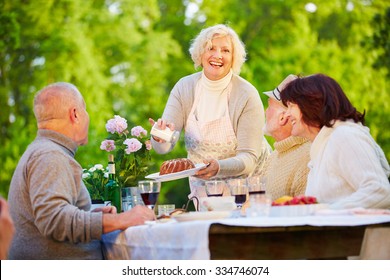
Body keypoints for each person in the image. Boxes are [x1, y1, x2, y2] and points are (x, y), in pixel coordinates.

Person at [8, 82, 155, 259]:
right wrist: (122, 219)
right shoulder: (50, 155)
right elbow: (54, 221)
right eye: (85, 110)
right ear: (75, 114)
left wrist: (89, 216)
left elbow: (49, 216)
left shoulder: (42, 151)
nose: (87, 116)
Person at [150, 24, 270, 201]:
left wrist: (219, 167)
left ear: (234, 57)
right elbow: (163, 146)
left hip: (250, 186)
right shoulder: (184, 88)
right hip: (205, 187)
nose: (217, 55)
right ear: (200, 54)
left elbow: (249, 158)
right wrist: (159, 137)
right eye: (211, 48)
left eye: (225, 50)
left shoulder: (246, 94)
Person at [280, 73, 390, 209]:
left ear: (311, 104)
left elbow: (380, 192)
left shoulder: (345, 136)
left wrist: (326, 212)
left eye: (291, 106)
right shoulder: (323, 145)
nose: (287, 114)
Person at [254, 74, 311, 200]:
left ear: (283, 117)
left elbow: (305, 210)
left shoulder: (308, 157)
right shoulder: (275, 155)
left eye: (269, 107)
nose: (265, 112)